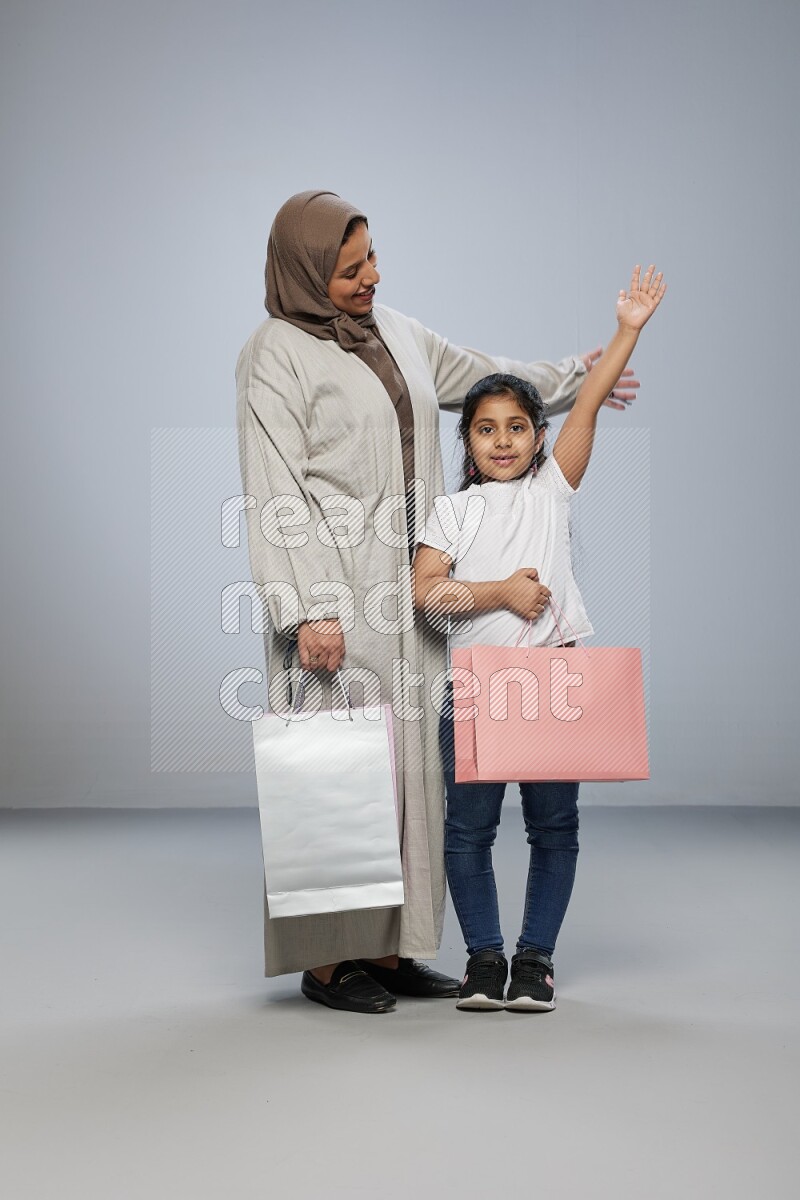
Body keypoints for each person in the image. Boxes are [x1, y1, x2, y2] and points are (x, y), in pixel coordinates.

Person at [236, 189, 641, 1014]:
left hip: (417, 591)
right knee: (336, 774)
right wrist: (308, 607)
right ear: (307, 272)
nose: (372, 278)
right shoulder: (272, 355)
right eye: (351, 270)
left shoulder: (398, 334)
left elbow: (491, 377)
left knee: (411, 777)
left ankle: (385, 951)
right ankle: (326, 962)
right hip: (336, 593)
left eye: (373, 257)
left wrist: (583, 374)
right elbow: (272, 485)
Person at [413, 265, 666, 1011]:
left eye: (516, 427)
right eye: (486, 428)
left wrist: (627, 330)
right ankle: (484, 960)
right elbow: (427, 595)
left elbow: (588, 405)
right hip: (476, 690)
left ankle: (536, 961)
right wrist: (502, 594)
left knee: (555, 828)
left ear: (538, 436)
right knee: (470, 830)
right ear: (469, 438)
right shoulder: (452, 512)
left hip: (551, 684)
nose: (502, 440)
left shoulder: (551, 491)